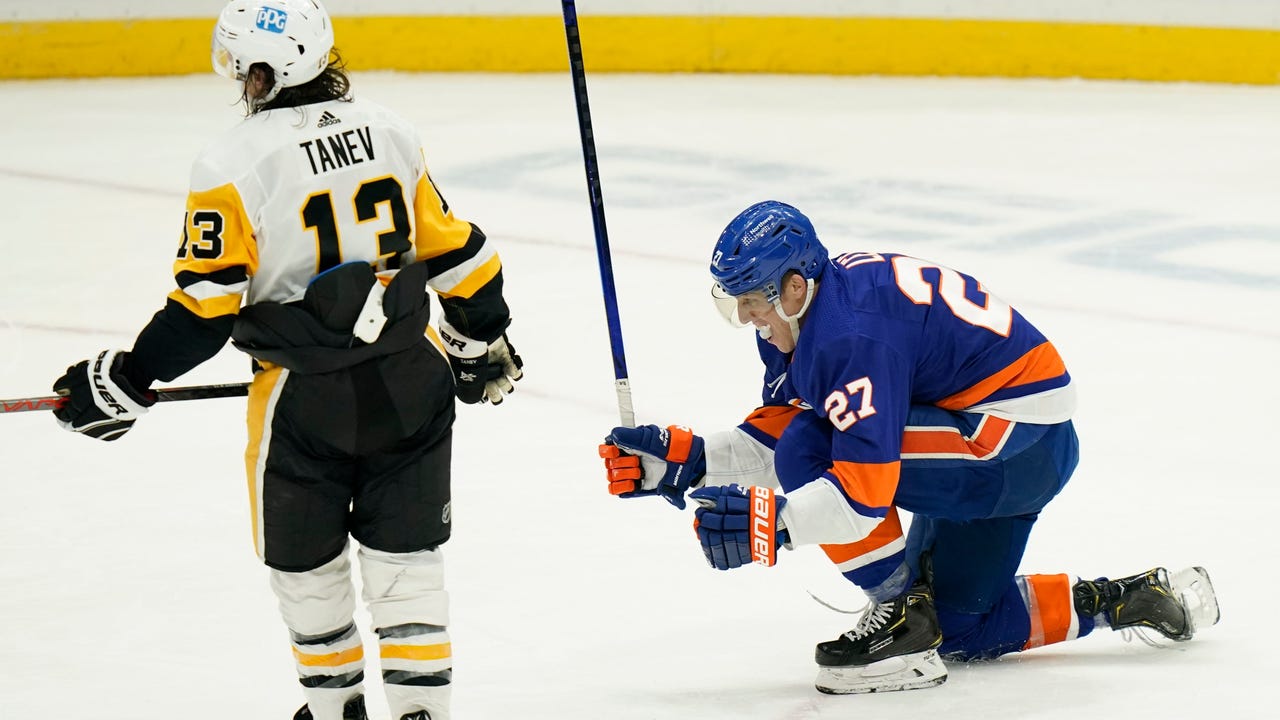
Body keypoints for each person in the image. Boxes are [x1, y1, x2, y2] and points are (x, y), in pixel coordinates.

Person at [49, 2, 523, 718]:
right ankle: (422, 712)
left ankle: (336, 711)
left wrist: (129, 376)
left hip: (306, 403)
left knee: (307, 569)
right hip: (410, 382)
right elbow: (460, 254)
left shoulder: (233, 162)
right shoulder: (391, 130)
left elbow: (206, 312)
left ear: (265, 73)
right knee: (408, 564)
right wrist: (480, 339)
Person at [598, 200, 1218, 694]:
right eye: (736, 303)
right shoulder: (818, 310)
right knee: (962, 628)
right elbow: (784, 426)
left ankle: (901, 618)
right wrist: (690, 460)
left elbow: (857, 492)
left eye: (754, 301)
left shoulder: (848, 337)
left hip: (1009, 444)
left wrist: (774, 524)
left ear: (793, 288)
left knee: (818, 453)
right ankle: (1122, 600)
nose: (747, 317)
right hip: (1007, 438)